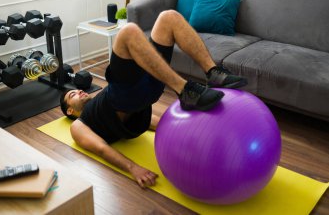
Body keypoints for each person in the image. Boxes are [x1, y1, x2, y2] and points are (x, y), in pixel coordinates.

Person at [60, 10, 247, 188]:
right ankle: (185, 89)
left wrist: (192, 135)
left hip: (147, 92)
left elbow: (156, 123)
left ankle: (213, 72)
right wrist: (134, 169)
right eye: (72, 95)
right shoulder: (79, 126)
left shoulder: (103, 105)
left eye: (76, 90)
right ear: (70, 111)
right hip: (123, 96)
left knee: (169, 17)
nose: (78, 92)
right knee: (128, 31)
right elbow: (101, 149)